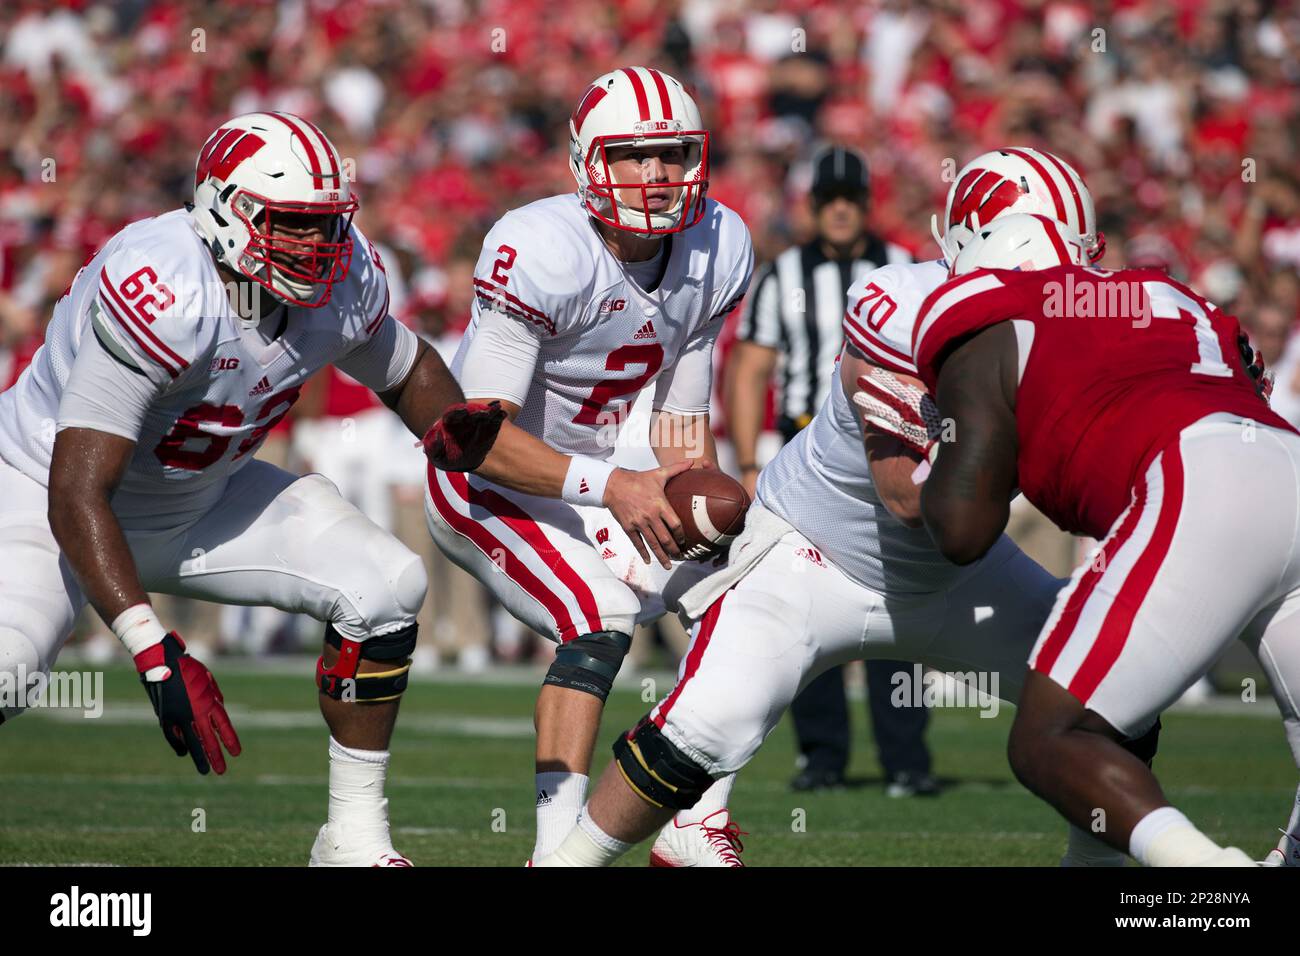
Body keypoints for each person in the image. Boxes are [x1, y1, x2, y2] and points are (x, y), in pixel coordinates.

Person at [533, 154, 1147, 869]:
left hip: (957, 578)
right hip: (809, 557)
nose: (1053, 294)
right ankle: (564, 862)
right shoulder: (899, 303)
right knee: (702, 731)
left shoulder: (1087, 326)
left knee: (1119, 689)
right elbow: (910, 499)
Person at [0, 111, 502, 867]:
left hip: (200, 499)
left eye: (327, 226)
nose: (316, 246)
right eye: (292, 225)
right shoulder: (161, 283)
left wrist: (452, 433)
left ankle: (354, 841)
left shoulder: (343, 275)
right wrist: (155, 652)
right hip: (42, 496)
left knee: (387, 584)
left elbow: (407, 369)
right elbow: (78, 492)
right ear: (223, 212)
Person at [423, 67, 755, 866]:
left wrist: (698, 515)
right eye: (633, 156)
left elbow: (681, 423)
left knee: (749, 594)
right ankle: (556, 849)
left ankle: (694, 817)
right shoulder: (539, 246)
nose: (656, 175)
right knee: (599, 616)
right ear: (584, 163)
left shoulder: (720, 242)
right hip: (487, 483)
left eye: (672, 155)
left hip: (604, 476)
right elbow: (476, 438)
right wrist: (617, 488)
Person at [914, 213, 1300, 866]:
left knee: (1051, 734)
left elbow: (961, 528)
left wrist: (927, 459)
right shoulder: (1166, 296)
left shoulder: (993, 323)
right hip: (1281, 457)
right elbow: (1247, 374)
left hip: (1200, 478)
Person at [725, 144, 929, 795]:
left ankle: (906, 759)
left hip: (891, 451)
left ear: (866, 206)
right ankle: (822, 756)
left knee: (899, 611)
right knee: (804, 608)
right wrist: (750, 458)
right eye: (829, 202)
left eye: (851, 201)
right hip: (805, 455)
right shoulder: (781, 274)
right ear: (812, 208)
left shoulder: (902, 269)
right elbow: (751, 367)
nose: (840, 212)